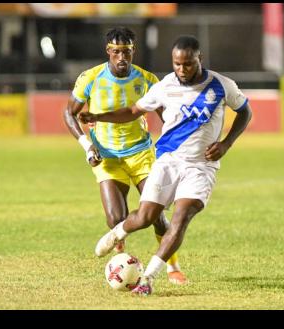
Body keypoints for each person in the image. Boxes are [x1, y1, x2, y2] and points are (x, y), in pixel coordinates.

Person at [79, 35, 252, 296]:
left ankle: (148, 278)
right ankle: (117, 233)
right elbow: (133, 111)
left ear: (199, 59)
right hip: (168, 161)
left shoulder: (221, 85)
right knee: (146, 217)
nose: (182, 70)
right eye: (177, 64)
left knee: (180, 218)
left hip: (201, 167)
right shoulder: (165, 86)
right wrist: (98, 116)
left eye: (188, 64)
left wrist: (226, 144)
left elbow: (245, 111)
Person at [63, 27, 187, 285]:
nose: (122, 57)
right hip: (106, 156)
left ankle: (173, 268)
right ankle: (122, 260)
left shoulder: (148, 80)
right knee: (115, 219)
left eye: (127, 52)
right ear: (108, 51)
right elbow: (69, 113)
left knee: (156, 215)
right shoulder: (91, 77)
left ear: (134, 51)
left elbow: (167, 117)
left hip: (141, 153)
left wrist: (174, 146)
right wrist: (87, 146)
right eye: (117, 51)